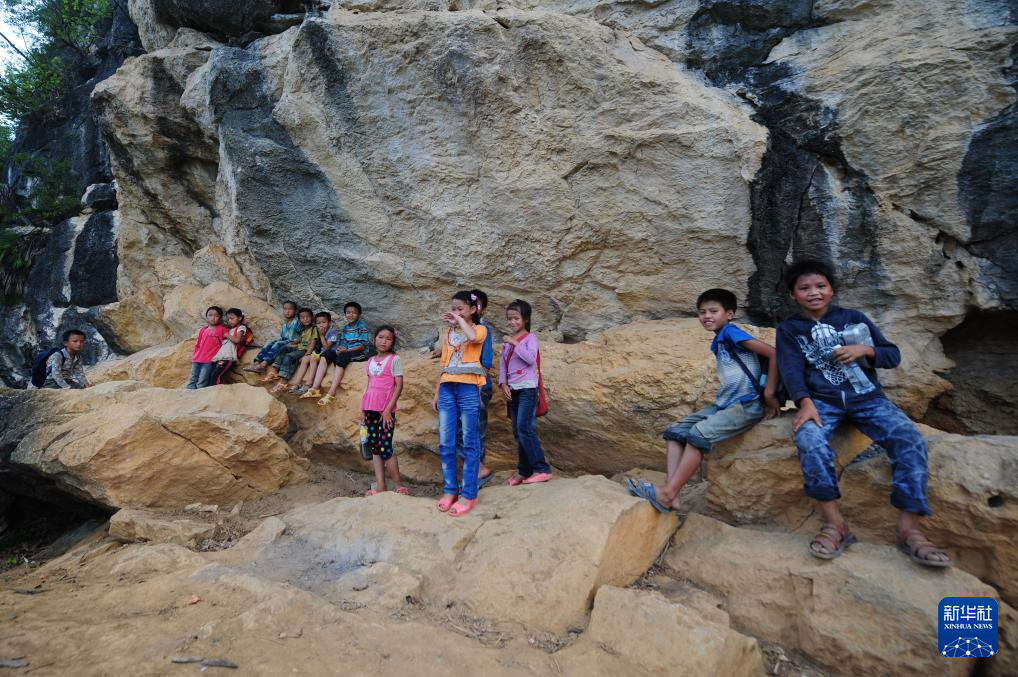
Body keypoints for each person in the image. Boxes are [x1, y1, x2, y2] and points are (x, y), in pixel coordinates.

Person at [777, 259, 950, 567]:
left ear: (832, 289)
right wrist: (804, 402)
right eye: (804, 288)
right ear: (793, 294)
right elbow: (790, 369)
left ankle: (909, 529)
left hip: (868, 399)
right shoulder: (790, 329)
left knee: (908, 437)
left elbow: (892, 355)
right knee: (809, 440)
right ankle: (835, 525)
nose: (814, 292)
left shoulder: (853, 318)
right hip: (823, 401)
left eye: (821, 286)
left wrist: (866, 350)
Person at [629, 289, 780, 512]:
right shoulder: (720, 340)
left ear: (729, 314)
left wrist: (769, 395)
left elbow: (773, 353)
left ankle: (667, 494)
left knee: (698, 435)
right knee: (675, 432)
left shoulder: (731, 333)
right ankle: (672, 493)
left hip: (746, 404)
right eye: (702, 312)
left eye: (713, 311)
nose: (707, 316)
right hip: (724, 405)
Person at [433, 290, 488, 516]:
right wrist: (437, 392)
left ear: (473, 309)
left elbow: (473, 338)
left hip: (468, 389)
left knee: (469, 441)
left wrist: (459, 319)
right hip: (447, 388)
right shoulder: (449, 333)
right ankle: (450, 490)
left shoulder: (480, 329)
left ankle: (469, 494)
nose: (455, 312)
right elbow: (444, 365)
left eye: (460, 309)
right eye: (453, 308)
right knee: (446, 441)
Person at [500, 299, 552, 486]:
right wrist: (503, 383)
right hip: (513, 390)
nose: (512, 322)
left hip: (528, 389)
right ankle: (524, 470)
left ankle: (542, 469)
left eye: (516, 318)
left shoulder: (530, 338)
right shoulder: (508, 343)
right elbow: (503, 364)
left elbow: (530, 359)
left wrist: (515, 342)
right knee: (517, 430)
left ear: (526, 319)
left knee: (525, 428)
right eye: (510, 318)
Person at [361, 326, 408, 496]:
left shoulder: (394, 360)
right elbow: (369, 386)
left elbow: (399, 386)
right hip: (370, 409)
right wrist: (363, 410)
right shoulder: (370, 361)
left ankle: (398, 485)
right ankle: (381, 485)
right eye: (381, 337)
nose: (384, 341)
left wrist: (388, 409)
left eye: (388, 339)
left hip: (385, 412)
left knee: (385, 447)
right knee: (375, 448)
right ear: (375, 339)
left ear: (392, 342)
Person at [455, 290, 495, 488]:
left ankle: (478, 472)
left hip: (477, 386)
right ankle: (475, 472)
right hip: (461, 386)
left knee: (474, 430)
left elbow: (485, 361)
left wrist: (478, 390)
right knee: (460, 431)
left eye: (477, 305)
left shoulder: (483, 329)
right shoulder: (461, 329)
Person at [305, 302, 371, 405]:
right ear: (345, 314)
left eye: (354, 312)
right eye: (348, 312)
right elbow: (343, 343)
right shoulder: (345, 328)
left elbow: (363, 345)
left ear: (359, 314)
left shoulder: (361, 327)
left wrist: (346, 351)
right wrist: (338, 350)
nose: (351, 315)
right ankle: (315, 388)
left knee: (340, 360)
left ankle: (331, 392)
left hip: (359, 352)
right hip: (346, 350)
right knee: (326, 355)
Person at [262, 308, 315, 393]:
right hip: (298, 347)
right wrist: (291, 343)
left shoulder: (314, 329)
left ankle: (283, 381)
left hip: (304, 350)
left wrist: (307, 354)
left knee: (289, 357)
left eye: (308, 317)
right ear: (300, 319)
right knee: (283, 348)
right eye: (302, 317)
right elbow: (300, 339)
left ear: (312, 317)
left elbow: (313, 342)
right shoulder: (304, 329)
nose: (305, 319)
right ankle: (275, 371)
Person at [289, 311, 339, 395]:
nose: (321, 325)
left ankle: (309, 383)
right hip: (320, 353)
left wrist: (322, 335)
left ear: (329, 322)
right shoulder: (317, 331)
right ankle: (297, 383)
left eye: (324, 322)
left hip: (330, 353)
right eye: (318, 323)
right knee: (305, 359)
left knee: (313, 358)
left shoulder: (332, 332)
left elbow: (327, 348)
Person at [244, 301, 300, 373]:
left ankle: (263, 365)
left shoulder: (298, 321)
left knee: (278, 343)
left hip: (293, 343)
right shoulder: (285, 324)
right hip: (285, 341)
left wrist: (294, 342)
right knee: (270, 341)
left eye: (290, 309)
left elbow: (302, 335)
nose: (287, 311)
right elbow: (282, 336)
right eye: (285, 309)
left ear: (295, 311)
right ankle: (256, 363)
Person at [186, 306, 227, 389]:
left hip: (209, 361)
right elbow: (198, 344)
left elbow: (227, 342)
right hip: (197, 359)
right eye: (210, 315)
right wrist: (194, 355)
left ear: (220, 318)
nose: (213, 318)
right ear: (206, 317)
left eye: (216, 316)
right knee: (193, 379)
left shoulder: (221, 329)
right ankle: (189, 393)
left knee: (202, 380)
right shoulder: (203, 329)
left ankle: (200, 395)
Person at [209, 308, 248, 385]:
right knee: (212, 375)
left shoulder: (241, 328)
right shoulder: (231, 329)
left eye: (232, 318)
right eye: (228, 319)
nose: (229, 321)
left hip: (229, 357)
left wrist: (227, 335)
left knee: (216, 375)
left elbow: (237, 340)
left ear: (240, 318)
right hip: (221, 356)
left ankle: (214, 390)